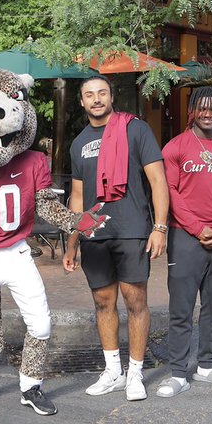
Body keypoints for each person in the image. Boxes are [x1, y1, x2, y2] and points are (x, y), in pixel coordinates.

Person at [64, 75, 169, 401]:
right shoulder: (78, 143)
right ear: (82, 101)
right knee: (102, 303)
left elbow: (158, 181)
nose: (96, 99)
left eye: (102, 93)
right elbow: (78, 198)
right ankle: (113, 371)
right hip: (95, 235)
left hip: (132, 231)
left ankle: (135, 373)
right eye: (89, 95)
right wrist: (72, 242)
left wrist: (160, 227)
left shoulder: (135, 129)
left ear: (112, 97)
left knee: (135, 302)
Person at [156, 87, 212, 397]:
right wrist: (198, 228)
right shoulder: (175, 147)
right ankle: (178, 372)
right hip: (186, 238)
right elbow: (171, 192)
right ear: (191, 110)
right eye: (201, 108)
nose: (208, 114)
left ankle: (206, 365)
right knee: (181, 308)